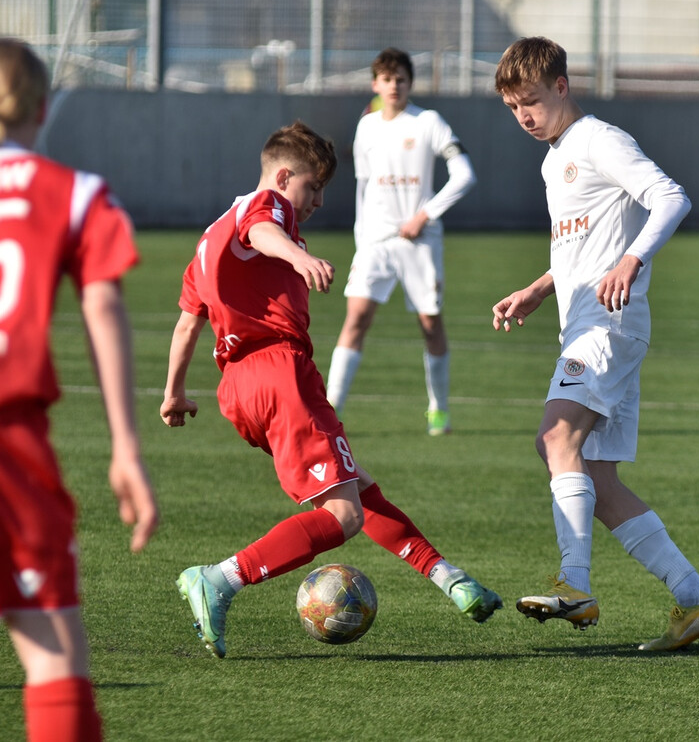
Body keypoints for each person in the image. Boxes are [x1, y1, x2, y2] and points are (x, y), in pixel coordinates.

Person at [161, 120, 499, 660]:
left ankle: (449, 578)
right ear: (284, 175)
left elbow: (186, 325)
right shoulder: (268, 208)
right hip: (279, 371)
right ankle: (220, 578)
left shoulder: (208, 239)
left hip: (240, 388)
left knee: (355, 488)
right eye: (313, 187)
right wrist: (298, 255)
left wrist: (173, 393)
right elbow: (263, 230)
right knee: (344, 517)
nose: (317, 201)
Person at [490, 36, 699, 651]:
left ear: (562, 87)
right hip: (593, 325)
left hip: (606, 326)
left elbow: (671, 198)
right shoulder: (553, 158)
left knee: (554, 440)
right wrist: (541, 288)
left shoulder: (599, 139)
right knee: (595, 474)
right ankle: (695, 597)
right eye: (514, 107)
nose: (523, 116)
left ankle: (575, 585)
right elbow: (581, 248)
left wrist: (632, 260)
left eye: (532, 101)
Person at [0, 39, 159, 741]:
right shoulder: (74, 192)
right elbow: (102, 305)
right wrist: (126, 447)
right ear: (41, 106)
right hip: (13, 447)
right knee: (54, 660)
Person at [325, 48, 476, 435]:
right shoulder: (367, 127)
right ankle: (329, 412)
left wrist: (424, 216)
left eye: (401, 80)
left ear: (411, 83)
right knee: (356, 318)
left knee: (430, 323)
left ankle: (438, 409)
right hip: (375, 239)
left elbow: (464, 175)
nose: (394, 86)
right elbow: (362, 186)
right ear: (376, 84)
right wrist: (362, 237)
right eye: (387, 79)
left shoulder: (428, 122)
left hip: (419, 240)